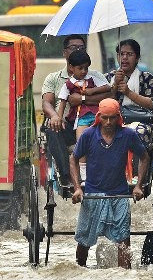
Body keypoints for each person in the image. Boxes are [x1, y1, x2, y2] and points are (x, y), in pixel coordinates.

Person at [69, 98, 150, 269]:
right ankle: (78, 272)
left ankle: (124, 277)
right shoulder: (89, 135)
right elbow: (73, 159)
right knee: (84, 240)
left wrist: (138, 185)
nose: (108, 122)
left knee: (123, 240)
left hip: (118, 194)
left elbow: (144, 157)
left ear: (118, 117)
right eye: (104, 118)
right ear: (99, 116)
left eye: (112, 118)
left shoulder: (127, 135)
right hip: (93, 194)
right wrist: (77, 188)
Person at [41, 35, 110, 188]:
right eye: (73, 47)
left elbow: (109, 96)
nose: (78, 50)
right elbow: (47, 102)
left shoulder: (95, 76)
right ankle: (68, 177)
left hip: (92, 123)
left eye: (81, 48)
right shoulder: (54, 78)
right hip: (66, 125)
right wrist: (54, 116)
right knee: (52, 129)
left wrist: (83, 100)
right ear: (64, 53)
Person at [106, 39, 153, 183]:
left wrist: (128, 92)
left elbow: (152, 103)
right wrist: (114, 86)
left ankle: (136, 174)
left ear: (137, 58)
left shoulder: (146, 78)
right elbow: (104, 104)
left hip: (143, 121)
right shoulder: (109, 77)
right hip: (114, 120)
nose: (124, 58)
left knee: (137, 133)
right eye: (121, 54)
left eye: (129, 54)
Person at [57, 49, 110, 138]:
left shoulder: (91, 78)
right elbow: (62, 102)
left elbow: (107, 87)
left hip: (97, 114)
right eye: (80, 68)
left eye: (86, 68)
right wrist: (59, 118)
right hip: (81, 117)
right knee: (81, 140)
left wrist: (93, 90)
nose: (83, 71)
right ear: (71, 67)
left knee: (100, 138)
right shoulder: (68, 84)